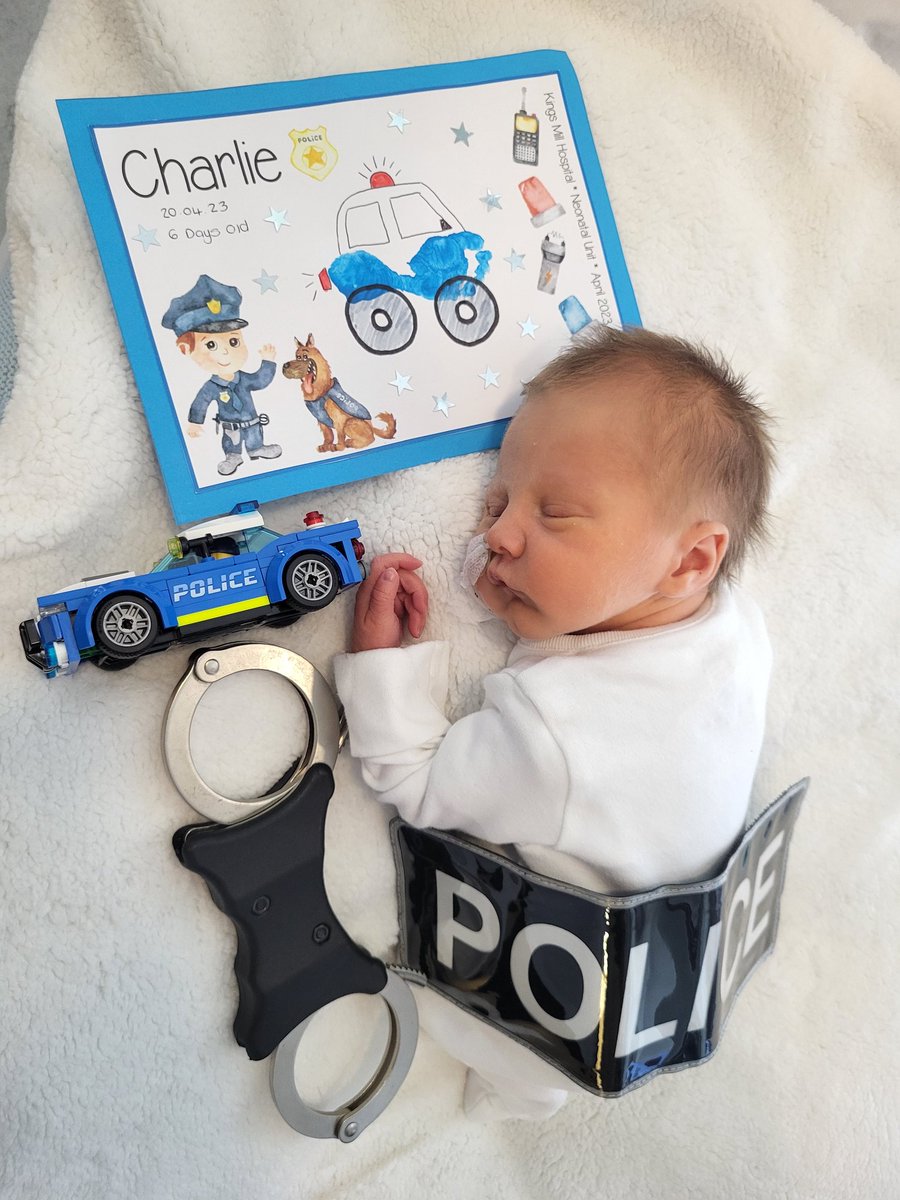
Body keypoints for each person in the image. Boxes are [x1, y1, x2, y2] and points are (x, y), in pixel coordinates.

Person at [333, 324, 776, 1119]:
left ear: (690, 559)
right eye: (497, 500)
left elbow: (415, 781)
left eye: (556, 513)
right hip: (682, 970)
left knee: (486, 1043)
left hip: (554, 1018)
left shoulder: (556, 731)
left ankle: (507, 1098)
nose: (496, 533)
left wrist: (383, 668)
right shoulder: (735, 626)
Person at [161, 274, 282, 476]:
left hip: (253, 424)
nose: (226, 352)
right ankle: (232, 457)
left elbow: (260, 381)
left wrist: (268, 362)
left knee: (254, 436)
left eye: (233, 342)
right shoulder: (212, 387)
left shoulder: (243, 379)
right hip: (230, 427)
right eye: (211, 345)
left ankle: (257, 448)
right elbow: (201, 403)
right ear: (185, 349)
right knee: (232, 442)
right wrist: (195, 422)